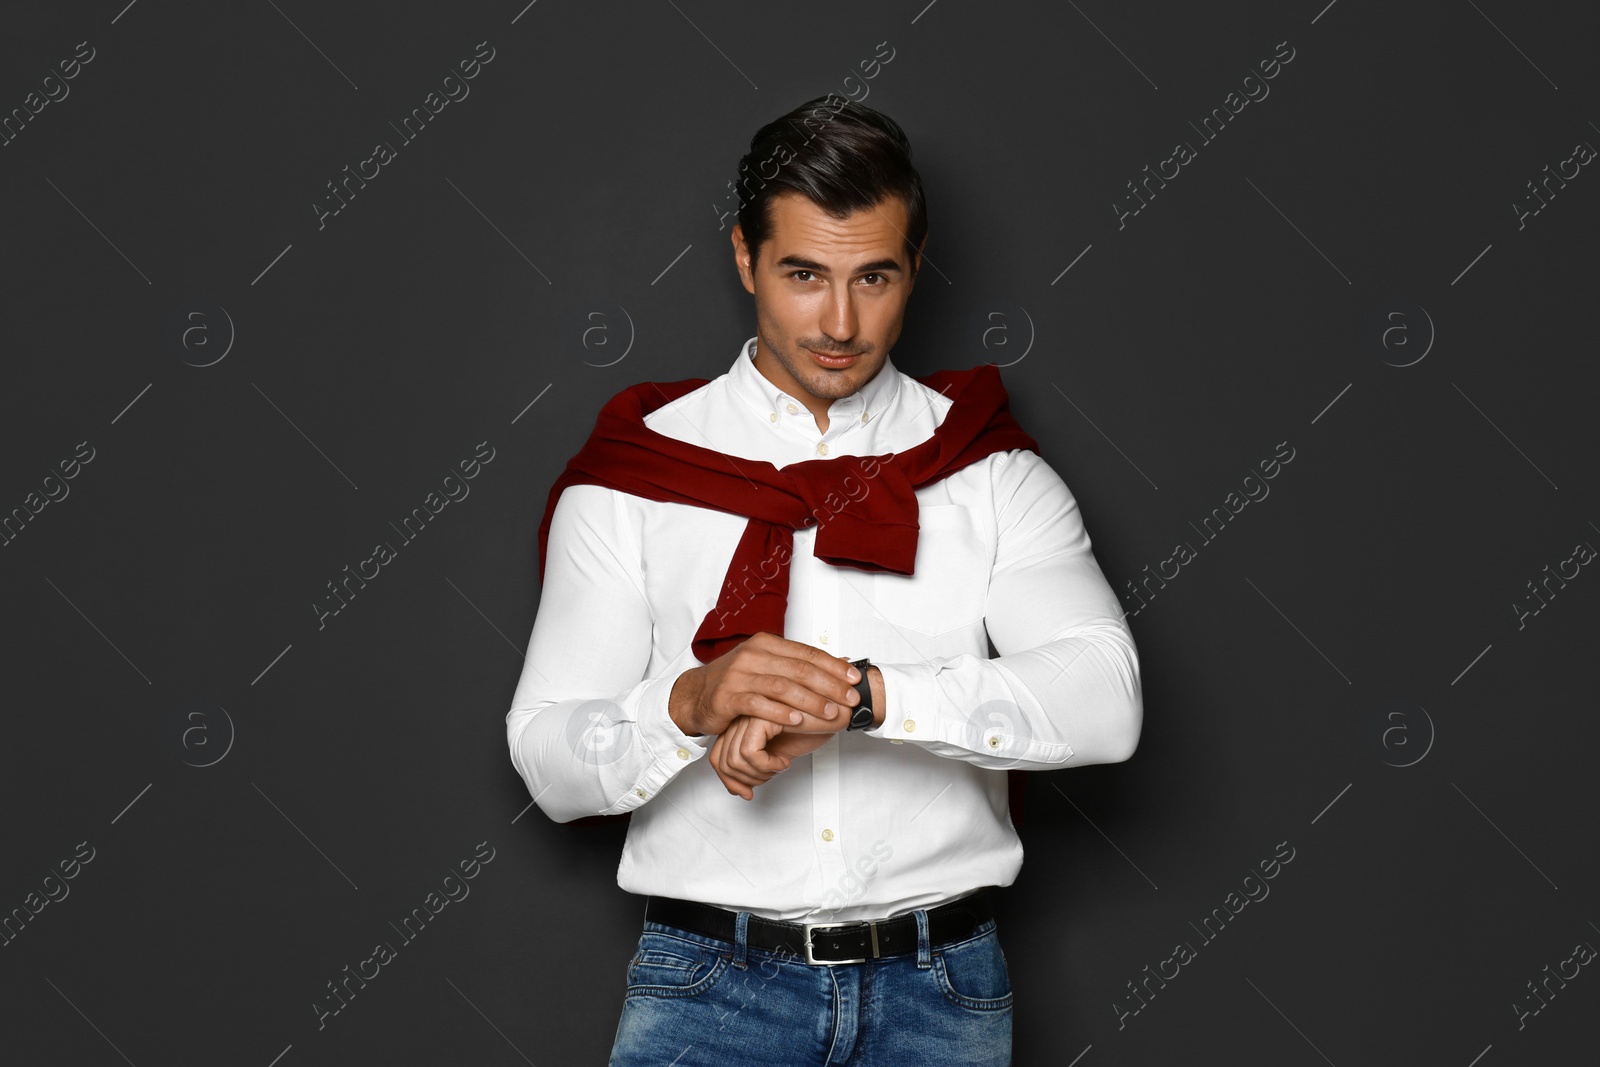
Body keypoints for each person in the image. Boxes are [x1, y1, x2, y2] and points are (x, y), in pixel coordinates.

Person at [505, 96, 1142, 1067]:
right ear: (744, 258)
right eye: (803, 274)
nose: (839, 321)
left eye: (872, 277)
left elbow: (1106, 699)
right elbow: (547, 758)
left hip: (941, 992)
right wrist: (689, 701)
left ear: (914, 268)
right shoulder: (636, 474)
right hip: (706, 990)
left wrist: (863, 696)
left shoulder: (987, 469)